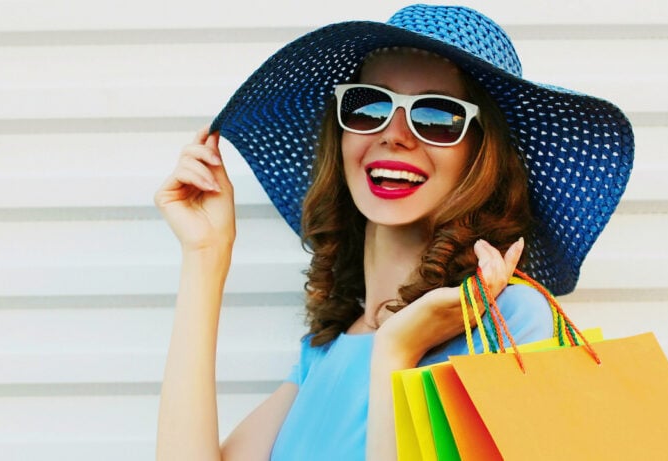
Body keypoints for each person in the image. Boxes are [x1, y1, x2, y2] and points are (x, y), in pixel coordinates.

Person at [153, 5, 633, 461]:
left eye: (438, 116)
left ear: (482, 156)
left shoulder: (509, 322)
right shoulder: (323, 354)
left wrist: (397, 352)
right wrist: (205, 254)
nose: (395, 133)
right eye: (368, 106)